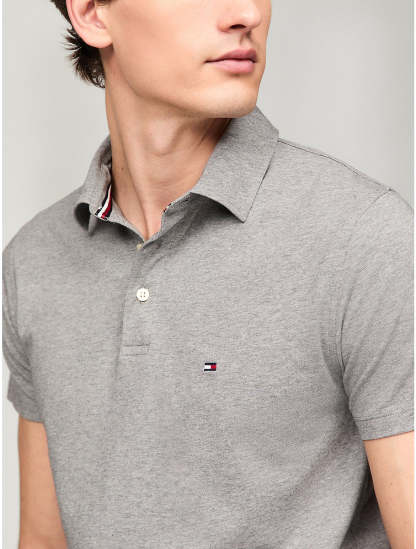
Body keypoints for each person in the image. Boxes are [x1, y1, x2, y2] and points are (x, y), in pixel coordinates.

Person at [3, 1, 413, 548]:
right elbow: (42, 540)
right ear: (93, 13)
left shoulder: (362, 237)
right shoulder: (35, 259)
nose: (246, 13)